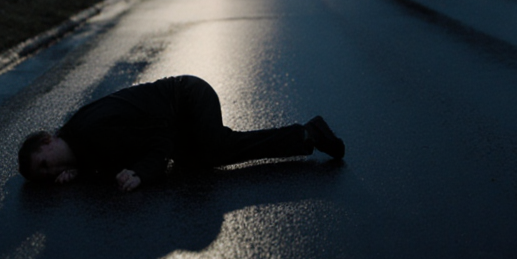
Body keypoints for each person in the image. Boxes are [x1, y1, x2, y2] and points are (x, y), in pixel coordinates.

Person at [18, 75, 345, 191]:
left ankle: (308, 134)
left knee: (216, 151)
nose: (51, 172)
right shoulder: (75, 137)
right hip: (178, 115)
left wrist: (141, 173)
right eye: (45, 177)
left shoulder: (91, 133)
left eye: (45, 164)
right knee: (196, 163)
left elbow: (159, 139)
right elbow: (99, 157)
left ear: (48, 140)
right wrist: (77, 171)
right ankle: (305, 135)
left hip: (188, 99)